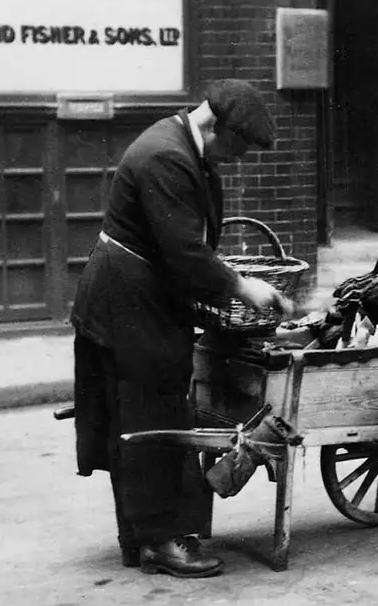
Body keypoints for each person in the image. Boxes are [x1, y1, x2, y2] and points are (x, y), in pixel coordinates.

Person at [70, 79, 294, 579]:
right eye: (236, 149)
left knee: (145, 414)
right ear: (216, 127)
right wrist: (243, 287)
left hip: (136, 297)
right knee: (154, 417)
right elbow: (185, 252)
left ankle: (144, 536)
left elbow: (191, 243)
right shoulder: (166, 157)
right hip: (126, 302)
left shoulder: (183, 147)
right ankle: (160, 540)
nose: (236, 161)